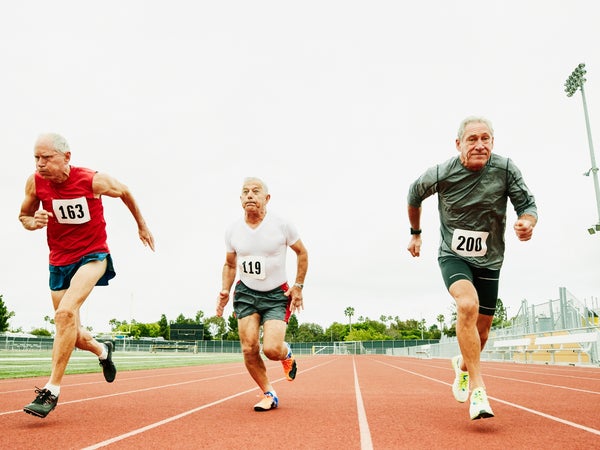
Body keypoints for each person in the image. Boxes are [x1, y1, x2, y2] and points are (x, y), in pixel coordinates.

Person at [407, 116, 537, 420]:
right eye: (472, 139)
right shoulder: (441, 173)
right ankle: (478, 390)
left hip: (490, 260)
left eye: (486, 139)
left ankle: (463, 364)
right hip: (454, 255)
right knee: (467, 304)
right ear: (458, 144)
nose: (480, 145)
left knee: (483, 333)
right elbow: (414, 194)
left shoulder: (505, 169)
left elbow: (527, 205)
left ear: (492, 141)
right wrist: (416, 233)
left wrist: (527, 222)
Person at [19, 133, 155, 418]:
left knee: (65, 313)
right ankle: (103, 351)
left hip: (93, 255)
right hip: (59, 260)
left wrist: (141, 226)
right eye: (36, 158)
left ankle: (52, 390)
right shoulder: (35, 182)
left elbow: (125, 191)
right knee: (72, 333)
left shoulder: (92, 180)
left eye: (47, 158)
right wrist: (35, 222)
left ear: (66, 157)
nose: (40, 164)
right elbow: (24, 216)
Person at [216, 177, 308, 411]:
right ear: (240, 199)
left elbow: (302, 253)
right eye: (245, 192)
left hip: (277, 294)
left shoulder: (282, 225)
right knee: (249, 348)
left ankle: (286, 353)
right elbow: (229, 264)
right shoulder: (233, 230)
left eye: (255, 191)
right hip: (246, 293)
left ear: (267, 198)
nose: (250, 195)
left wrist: (298, 286)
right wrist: (225, 290)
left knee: (271, 349)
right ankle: (269, 393)